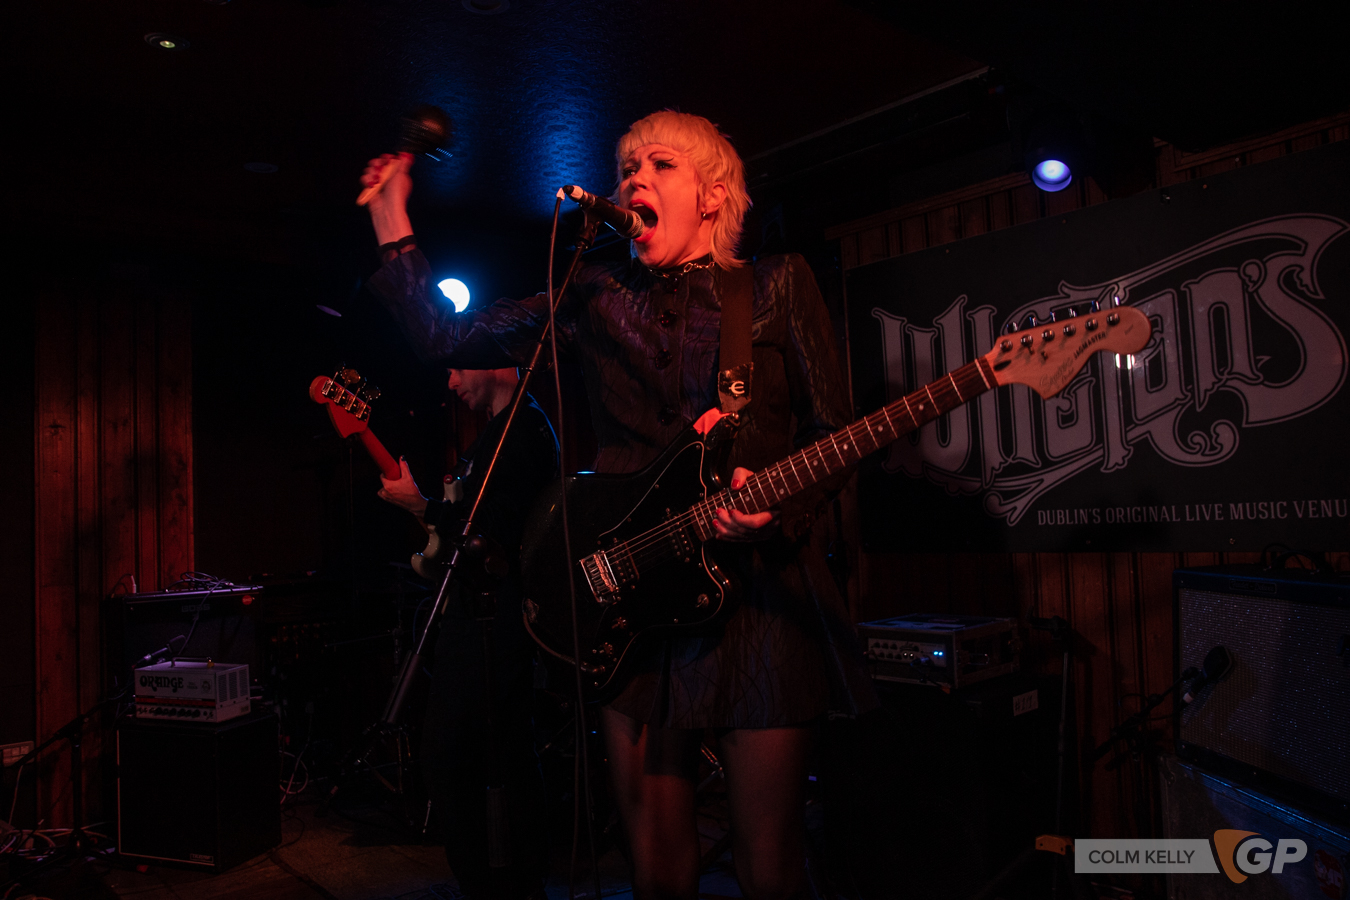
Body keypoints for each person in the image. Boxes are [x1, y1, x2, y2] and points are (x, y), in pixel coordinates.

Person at [362, 110, 876, 900]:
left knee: (770, 864)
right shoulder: (595, 294)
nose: (633, 180)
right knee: (655, 867)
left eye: (658, 166)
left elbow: (832, 431)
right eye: (627, 167)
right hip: (633, 606)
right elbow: (446, 339)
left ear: (711, 195)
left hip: (761, 606)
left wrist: (781, 506)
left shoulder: (774, 286)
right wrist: (392, 217)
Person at [377, 365, 558, 900]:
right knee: (482, 752)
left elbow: (493, 533)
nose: (451, 383)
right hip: (475, 615)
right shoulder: (494, 437)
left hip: (496, 622)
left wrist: (420, 506)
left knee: (463, 752)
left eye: (459, 368)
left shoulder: (523, 432)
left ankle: (502, 882)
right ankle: (498, 880)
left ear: (498, 365)